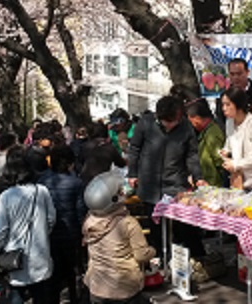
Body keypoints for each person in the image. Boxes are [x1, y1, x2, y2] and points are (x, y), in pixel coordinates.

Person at [127, 96, 206, 257]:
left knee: (185, 224)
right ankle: (160, 259)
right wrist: (133, 173)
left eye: (173, 122)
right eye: (166, 122)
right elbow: (134, 149)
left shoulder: (186, 127)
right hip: (150, 184)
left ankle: (197, 257)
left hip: (176, 183)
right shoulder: (146, 123)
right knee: (156, 226)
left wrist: (198, 177)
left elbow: (192, 155)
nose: (170, 126)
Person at [0, 145, 57, 304]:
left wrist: (1, 247)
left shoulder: (6, 197)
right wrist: (42, 234)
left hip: (15, 260)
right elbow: (51, 219)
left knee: (16, 297)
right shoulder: (42, 191)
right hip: (40, 258)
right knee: (42, 296)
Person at [83, 171, 155, 304]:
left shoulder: (89, 221)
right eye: (120, 192)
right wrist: (152, 251)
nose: (124, 193)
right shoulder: (128, 223)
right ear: (114, 200)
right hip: (123, 287)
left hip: (97, 286)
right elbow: (141, 255)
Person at [38, 143, 87, 304]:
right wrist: (83, 232)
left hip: (48, 233)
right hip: (71, 232)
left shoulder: (42, 180)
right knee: (72, 270)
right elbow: (80, 210)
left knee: (53, 272)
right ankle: (74, 297)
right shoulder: (76, 183)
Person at [220, 87, 252, 192]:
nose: (224, 108)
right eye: (223, 105)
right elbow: (230, 141)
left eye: (228, 105)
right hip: (239, 181)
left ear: (238, 105)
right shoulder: (229, 122)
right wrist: (226, 151)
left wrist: (236, 164)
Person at [215, 58, 252, 127]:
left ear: (247, 72)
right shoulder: (224, 97)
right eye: (232, 74)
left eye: (239, 74)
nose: (236, 77)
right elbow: (221, 121)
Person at [186, 99, 226, 187]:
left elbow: (220, 160)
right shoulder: (205, 132)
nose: (192, 125)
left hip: (214, 183)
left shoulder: (213, 133)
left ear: (197, 119)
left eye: (191, 121)